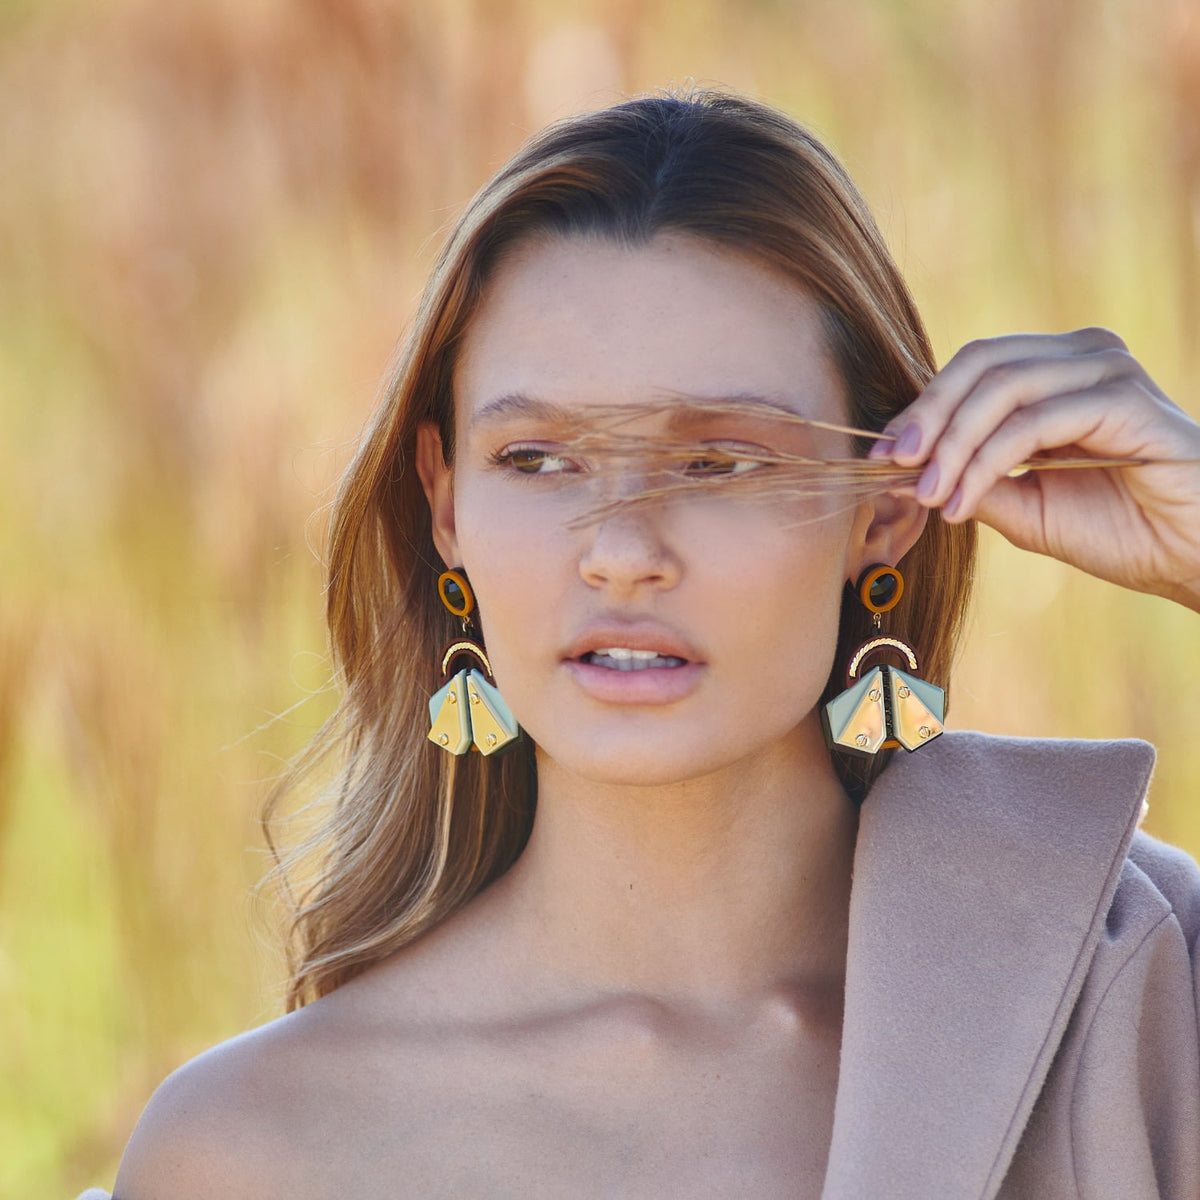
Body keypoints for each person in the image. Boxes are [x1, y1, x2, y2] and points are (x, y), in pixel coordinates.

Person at [93, 90, 1200, 1199]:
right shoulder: (249, 1149)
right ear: (445, 504)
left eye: (718, 461)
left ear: (887, 508)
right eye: (537, 459)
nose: (622, 553)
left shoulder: (1137, 996)